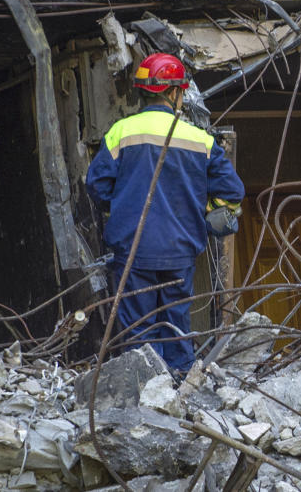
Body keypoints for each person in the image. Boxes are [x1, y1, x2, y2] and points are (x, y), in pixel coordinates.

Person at [86, 52, 244, 372]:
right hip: (180, 252)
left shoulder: (121, 132)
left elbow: (97, 186)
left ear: (143, 91)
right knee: (176, 330)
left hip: (133, 250)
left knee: (138, 335)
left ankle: (145, 397)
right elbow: (232, 193)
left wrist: (122, 207)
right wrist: (208, 218)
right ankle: (179, 391)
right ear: (175, 92)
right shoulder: (200, 140)